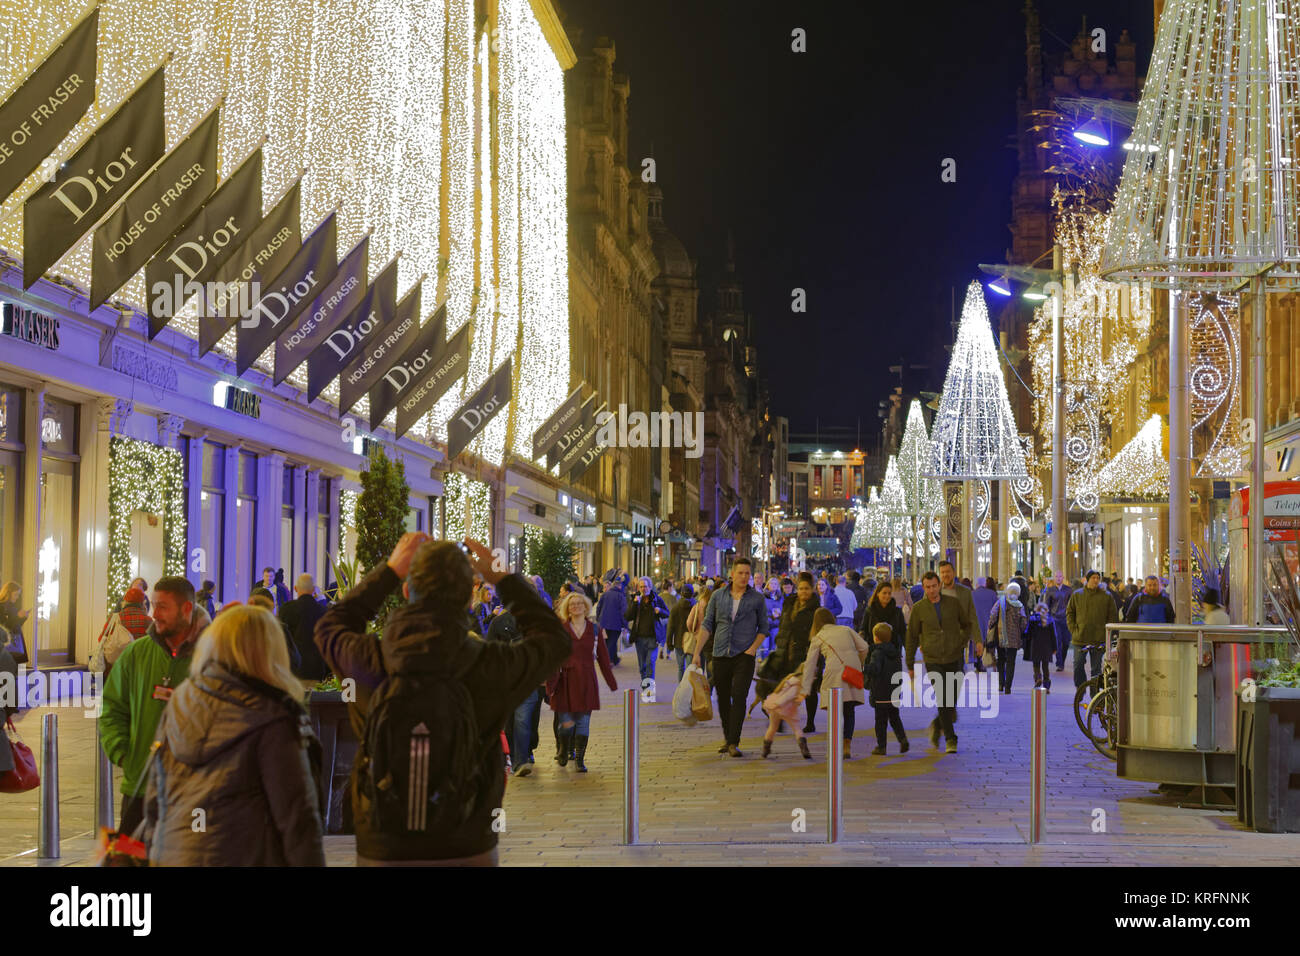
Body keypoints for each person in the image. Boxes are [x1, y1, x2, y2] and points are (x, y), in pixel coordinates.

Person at [314, 533, 570, 865]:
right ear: (468, 597)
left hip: (384, 842)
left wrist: (390, 571)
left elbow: (329, 627)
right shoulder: (490, 665)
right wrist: (501, 577)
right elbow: (555, 640)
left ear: (406, 591)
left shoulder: (369, 660)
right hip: (466, 839)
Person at [141, 604, 325, 865]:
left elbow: (155, 799)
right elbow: (298, 819)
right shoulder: (274, 716)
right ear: (268, 652)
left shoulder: (181, 702)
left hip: (175, 854)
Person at [100, 576, 211, 837]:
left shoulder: (214, 657)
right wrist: (123, 754)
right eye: (153, 605)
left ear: (186, 609)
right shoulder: (136, 654)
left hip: (196, 791)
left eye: (163, 607)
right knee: (130, 860)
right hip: (140, 785)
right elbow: (112, 708)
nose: (154, 614)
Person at [692, 557, 770, 757]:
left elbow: (763, 628)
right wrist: (696, 654)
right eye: (740, 573)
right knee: (723, 698)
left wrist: (753, 649)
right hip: (720, 653)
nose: (744, 577)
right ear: (732, 574)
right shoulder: (718, 596)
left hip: (744, 654)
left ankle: (734, 741)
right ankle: (727, 739)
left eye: (747, 573)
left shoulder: (757, 599)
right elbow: (707, 624)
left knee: (740, 696)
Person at [546, 590, 618, 773]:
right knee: (566, 724)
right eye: (572, 604)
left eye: (579, 603)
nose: (576, 606)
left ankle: (579, 759)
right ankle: (563, 749)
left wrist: (611, 682)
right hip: (565, 681)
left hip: (586, 680)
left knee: (583, 723)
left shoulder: (595, 629)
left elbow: (603, 657)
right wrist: (550, 684)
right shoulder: (561, 630)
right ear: (567, 609)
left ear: (585, 607)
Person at [905, 570, 975, 754]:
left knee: (951, 701)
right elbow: (911, 636)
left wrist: (961, 642)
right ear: (923, 588)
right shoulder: (919, 608)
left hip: (954, 657)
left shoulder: (952, 603)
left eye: (934, 586)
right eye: (927, 587)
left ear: (939, 586)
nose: (931, 590)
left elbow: (967, 624)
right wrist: (910, 663)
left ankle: (937, 725)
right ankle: (951, 739)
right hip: (933, 658)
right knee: (943, 698)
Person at [801, 607, 871, 759]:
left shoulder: (818, 637)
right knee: (849, 710)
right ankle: (847, 746)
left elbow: (810, 664)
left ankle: (834, 747)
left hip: (833, 673)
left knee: (834, 712)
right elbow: (864, 647)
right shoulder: (846, 629)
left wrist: (805, 688)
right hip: (851, 671)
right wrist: (858, 664)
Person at [1066, 570, 1118, 690]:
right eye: (1093, 578)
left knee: (1096, 669)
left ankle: (1094, 695)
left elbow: (1112, 617)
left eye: (1097, 578)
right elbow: (1070, 613)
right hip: (1080, 637)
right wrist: (1073, 630)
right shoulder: (1077, 595)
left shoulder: (1106, 596)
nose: (1095, 580)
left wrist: (1108, 635)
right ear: (1087, 579)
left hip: (1098, 639)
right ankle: (1080, 688)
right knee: (1078, 665)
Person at [866, 621, 908, 755]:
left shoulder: (877, 653)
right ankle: (903, 740)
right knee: (895, 718)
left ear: (876, 638)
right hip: (894, 691)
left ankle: (882, 746)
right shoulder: (895, 653)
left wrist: (863, 668)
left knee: (880, 721)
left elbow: (875, 669)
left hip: (880, 692)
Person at [280, 573, 329, 680]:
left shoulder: (286, 610)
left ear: (295, 589)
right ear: (313, 590)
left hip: (292, 672)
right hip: (317, 670)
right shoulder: (324, 612)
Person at [626, 576, 669, 696]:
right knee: (642, 667)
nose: (643, 589)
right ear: (638, 588)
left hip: (653, 638)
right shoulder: (636, 599)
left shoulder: (657, 599)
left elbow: (667, 613)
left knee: (650, 663)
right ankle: (646, 688)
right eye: (641, 587)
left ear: (650, 587)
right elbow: (628, 616)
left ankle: (649, 691)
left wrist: (659, 610)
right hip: (639, 638)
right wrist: (635, 604)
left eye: (645, 586)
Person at [759, 661, 810, 759]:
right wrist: (778, 704)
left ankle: (766, 749)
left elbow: (778, 690)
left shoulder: (790, 678)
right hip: (785, 708)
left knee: (772, 728)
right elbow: (789, 696)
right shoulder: (798, 683)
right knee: (796, 728)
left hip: (775, 706)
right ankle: (804, 749)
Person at [938, 561, 981, 673]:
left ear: (953, 573)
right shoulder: (933, 591)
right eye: (942, 572)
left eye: (948, 571)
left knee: (956, 674)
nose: (945, 575)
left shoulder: (965, 592)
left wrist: (978, 641)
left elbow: (972, 617)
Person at [986, 581, 1027, 694]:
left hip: (1000, 636)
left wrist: (990, 627)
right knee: (1011, 662)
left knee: (1001, 660)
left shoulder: (1001, 602)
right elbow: (1024, 622)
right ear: (1018, 593)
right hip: (1013, 639)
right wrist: (1020, 631)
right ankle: (1008, 687)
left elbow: (993, 615)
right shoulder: (1019, 606)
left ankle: (1000, 684)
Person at [861, 579, 906, 650]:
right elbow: (863, 629)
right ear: (878, 593)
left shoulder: (897, 611)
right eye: (884, 593)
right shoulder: (870, 611)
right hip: (873, 650)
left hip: (893, 651)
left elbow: (903, 632)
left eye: (889, 593)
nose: (887, 596)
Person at [1042, 571, 1072, 673]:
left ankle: (1062, 660)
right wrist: (1047, 618)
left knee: (1066, 642)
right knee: (1058, 641)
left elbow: (1072, 605)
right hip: (1055, 619)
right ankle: (1059, 663)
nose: (1058, 578)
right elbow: (1046, 605)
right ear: (1054, 578)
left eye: (1060, 576)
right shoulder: (1050, 590)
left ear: (1063, 578)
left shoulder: (1068, 590)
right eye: (1056, 577)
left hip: (1066, 619)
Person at [595, 575, 628, 666]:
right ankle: (608, 661)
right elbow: (624, 612)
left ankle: (615, 659)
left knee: (607, 641)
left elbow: (598, 607)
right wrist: (625, 625)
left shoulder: (605, 594)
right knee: (612, 642)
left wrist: (598, 619)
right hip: (616, 624)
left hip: (604, 623)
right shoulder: (621, 596)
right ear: (620, 586)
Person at [666, 582, 696, 682]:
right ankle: (688, 689)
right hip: (691, 641)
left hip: (678, 641)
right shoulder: (695, 607)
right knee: (689, 667)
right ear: (692, 593)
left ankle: (681, 690)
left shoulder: (675, 608)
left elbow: (670, 627)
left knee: (680, 668)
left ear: (682, 593)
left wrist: (669, 643)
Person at [1025, 601, 1056, 692]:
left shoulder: (1033, 619)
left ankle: (1038, 678)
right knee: (1045, 667)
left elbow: (1028, 633)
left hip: (1035, 646)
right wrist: (1054, 648)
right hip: (1047, 647)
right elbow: (1053, 635)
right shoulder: (1049, 620)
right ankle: (1046, 686)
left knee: (1036, 665)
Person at [972, 577, 999, 672]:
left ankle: (978, 662)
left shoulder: (972, 594)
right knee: (988, 643)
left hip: (976, 622)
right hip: (989, 622)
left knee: (978, 643)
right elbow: (997, 608)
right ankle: (987, 661)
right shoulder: (992, 594)